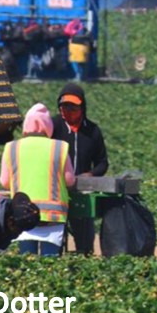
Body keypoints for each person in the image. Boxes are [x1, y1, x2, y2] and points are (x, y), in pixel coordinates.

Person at [0, 103, 75, 256]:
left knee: (26, 261)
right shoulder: (59, 147)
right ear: (48, 126)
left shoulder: (11, 147)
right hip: (52, 215)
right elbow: (70, 181)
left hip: (22, 213)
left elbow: (4, 182)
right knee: (50, 263)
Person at [50, 83, 109, 254]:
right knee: (56, 239)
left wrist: (91, 174)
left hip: (82, 192)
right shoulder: (53, 127)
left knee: (85, 239)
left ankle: (84, 258)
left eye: (73, 107)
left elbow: (102, 162)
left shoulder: (92, 131)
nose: (67, 111)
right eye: (64, 106)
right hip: (56, 191)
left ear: (82, 107)